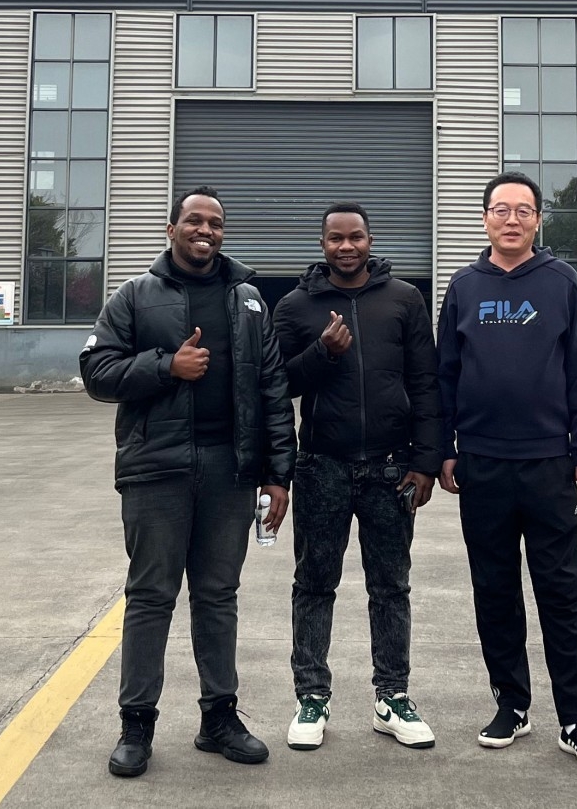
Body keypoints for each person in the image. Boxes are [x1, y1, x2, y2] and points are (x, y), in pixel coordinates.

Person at [80, 185, 296, 778]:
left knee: (218, 595)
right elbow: (95, 371)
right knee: (151, 597)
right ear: (171, 228)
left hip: (230, 471)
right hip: (157, 470)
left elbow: (272, 387)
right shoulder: (135, 295)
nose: (206, 230)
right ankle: (136, 725)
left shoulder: (248, 299)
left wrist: (278, 474)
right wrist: (166, 366)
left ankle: (218, 718)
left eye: (216, 223)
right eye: (195, 220)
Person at [436, 170, 577, 768]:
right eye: (501, 209)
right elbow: (446, 375)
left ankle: (575, 718)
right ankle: (511, 704)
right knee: (494, 590)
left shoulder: (561, 282)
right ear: (485, 218)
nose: (511, 219)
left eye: (523, 210)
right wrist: (445, 448)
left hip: (548, 465)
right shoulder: (464, 286)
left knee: (560, 593)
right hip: (482, 464)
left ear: (538, 219)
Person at [272, 202, 442, 751]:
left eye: (356, 237)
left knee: (390, 587)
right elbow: (277, 385)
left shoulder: (404, 299)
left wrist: (426, 461)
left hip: (391, 468)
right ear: (322, 243)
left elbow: (425, 382)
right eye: (336, 238)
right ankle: (311, 698)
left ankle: (392, 698)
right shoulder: (296, 306)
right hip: (322, 465)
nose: (346, 247)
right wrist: (322, 353)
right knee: (314, 584)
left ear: (370, 240)